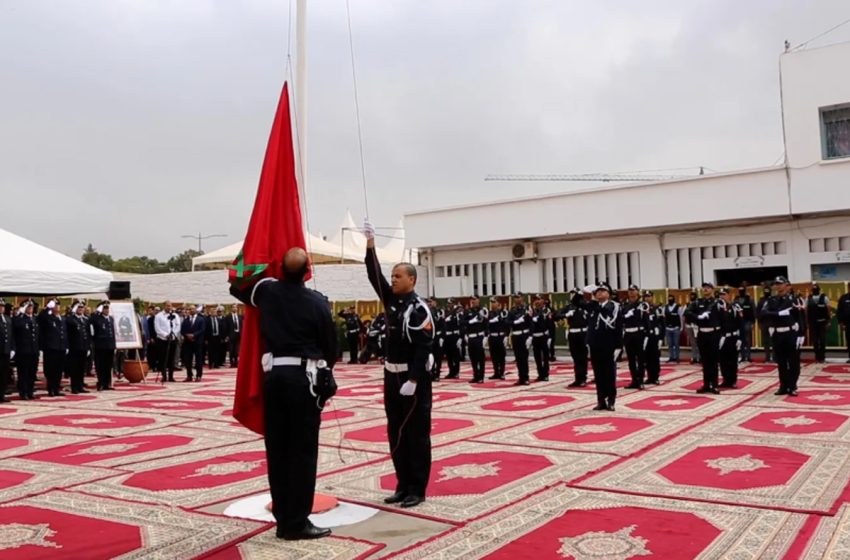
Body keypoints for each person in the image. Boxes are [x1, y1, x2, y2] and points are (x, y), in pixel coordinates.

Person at [230, 247, 337, 540]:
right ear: (307, 271)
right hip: (304, 380)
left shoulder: (267, 291)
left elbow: (236, 286)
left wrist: (255, 255)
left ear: (280, 269)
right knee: (302, 452)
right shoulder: (317, 302)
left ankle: (283, 519)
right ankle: (296, 522)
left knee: (278, 451)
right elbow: (330, 347)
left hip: (274, 378)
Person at [364, 220, 434, 509]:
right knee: (396, 431)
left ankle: (417, 488)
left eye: (397, 276)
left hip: (412, 379)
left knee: (416, 434)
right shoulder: (391, 301)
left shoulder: (419, 309)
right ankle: (402, 484)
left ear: (411, 280)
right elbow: (373, 275)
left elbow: (424, 347)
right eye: (392, 275)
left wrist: (415, 380)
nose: (391, 280)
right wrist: (370, 246)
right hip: (391, 377)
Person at [760, 276, 803, 396]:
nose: (778, 286)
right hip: (777, 334)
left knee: (793, 361)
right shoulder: (771, 300)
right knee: (781, 362)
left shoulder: (794, 300)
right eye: (776, 284)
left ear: (786, 285)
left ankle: (792, 386)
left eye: (780, 283)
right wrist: (778, 313)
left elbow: (800, 318)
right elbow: (763, 313)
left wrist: (801, 334)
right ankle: (783, 386)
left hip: (791, 333)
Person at [586, 282, 622, 411]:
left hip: (609, 344)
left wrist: (618, 346)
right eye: (598, 291)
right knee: (598, 374)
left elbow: (618, 327)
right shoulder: (593, 306)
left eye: (603, 291)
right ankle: (601, 400)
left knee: (609, 374)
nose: (599, 293)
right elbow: (577, 302)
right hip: (595, 344)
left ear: (609, 294)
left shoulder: (614, 307)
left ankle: (611, 400)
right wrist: (583, 292)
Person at [685, 282, 722, 394]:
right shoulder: (697, 302)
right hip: (702, 333)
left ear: (712, 289)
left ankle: (714, 385)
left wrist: (723, 335)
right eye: (704, 288)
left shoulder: (718, 303)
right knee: (705, 361)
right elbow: (687, 312)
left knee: (714, 361)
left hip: (714, 333)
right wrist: (698, 317)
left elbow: (724, 318)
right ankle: (706, 384)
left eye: (708, 288)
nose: (705, 290)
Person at [556, 289, 589, 387]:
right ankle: (577, 378)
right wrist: (566, 314)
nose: (572, 296)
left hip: (583, 333)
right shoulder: (569, 307)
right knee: (575, 357)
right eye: (571, 294)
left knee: (583, 357)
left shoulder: (585, 306)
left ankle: (583, 378)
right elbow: (556, 316)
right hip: (572, 333)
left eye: (574, 294)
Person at [622, 284, 647, 390]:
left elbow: (646, 320)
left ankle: (640, 380)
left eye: (633, 290)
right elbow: (621, 319)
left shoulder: (642, 305)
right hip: (628, 333)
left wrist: (647, 335)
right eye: (630, 290)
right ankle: (634, 380)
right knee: (631, 359)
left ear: (638, 292)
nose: (631, 292)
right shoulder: (625, 305)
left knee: (640, 359)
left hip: (638, 333)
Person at [13, 300, 39, 400]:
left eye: (31, 307)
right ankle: (23, 392)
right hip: (23, 351)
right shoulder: (19, 319)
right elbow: (16, 327)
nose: (30, 309)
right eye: (28, 307)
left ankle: (30, 391)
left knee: (32, 373)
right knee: (23, 373)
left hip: (33, 350)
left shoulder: (35, 319)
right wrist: (20, 313)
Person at [42, 302, 68, 397]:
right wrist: (47, 308)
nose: (57, 307)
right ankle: (51, 389)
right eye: (55, 306)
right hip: (52, 348)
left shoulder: (63, 319)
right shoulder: (48, 318)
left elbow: (65, 334)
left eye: (58, 305)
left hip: (61, 347)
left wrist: (66, 346)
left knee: (59, 370)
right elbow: (41, 318)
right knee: (51, 370)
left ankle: (57, 388)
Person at [717, 288, 742, 388]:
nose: (722, 296)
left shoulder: (735, 307)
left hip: (733, 337)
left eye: (724, 294)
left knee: (732, 360)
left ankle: (733, 380)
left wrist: (740, 338)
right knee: (723, 360)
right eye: (720, 294)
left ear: (729, 295)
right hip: (722, 338)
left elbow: (740, 323)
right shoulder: (717, 307)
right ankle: (725, 379)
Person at [66, 301, 91, 394]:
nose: (81, 309)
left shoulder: (85, 320)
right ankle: (74, 387)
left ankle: (80, 385)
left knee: (82, 368)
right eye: (79, 308)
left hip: (83, 348)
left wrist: (88, 347)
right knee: (74, 368)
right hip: (74, 348)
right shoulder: (70, 320)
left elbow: (88, 334)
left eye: (82, 308)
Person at [507, 293, 532, 386]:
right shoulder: (512, 310)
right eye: (515, 298)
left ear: (522, 298)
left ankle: (525, 377)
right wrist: (515, 322)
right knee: (518, 358)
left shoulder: (527, 309)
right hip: (516, 336)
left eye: (518, 297)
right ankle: (520, 377)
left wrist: (530, 336)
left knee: (524, 358)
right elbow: (507, 322)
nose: (517, 299)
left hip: (524, 335)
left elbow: (531, 323)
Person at [90, 301, 116, 391]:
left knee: (108, 366)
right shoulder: (97, 319)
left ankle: (107, 383)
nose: (106, 310)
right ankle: (100, 383)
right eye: (105, 308)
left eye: (107, 308)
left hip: (110, 346)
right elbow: (91, 320)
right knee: (100, 365)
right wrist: (97, 312)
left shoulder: (111, 319)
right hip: (100, 346)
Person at [154, 302, 181, 382]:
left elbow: (177, 325)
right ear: (164, 306)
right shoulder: (159, 316)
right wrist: (165, 335)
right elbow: (157, 328)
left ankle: (171, 376)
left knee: (171, 358)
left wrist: (173, 334)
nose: (169, 307)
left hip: (172, 339)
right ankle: (164, 375)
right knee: (163, 358)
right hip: (162, 339)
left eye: (170, 306)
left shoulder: (175, 315)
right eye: (167, 306)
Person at [464, 295, 488, 384]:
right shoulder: (468, 311)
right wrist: (470, 322)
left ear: (478, 300)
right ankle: (475, 375)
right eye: (472, 300)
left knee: (480, 358)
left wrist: (486, 337)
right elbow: (462, 322)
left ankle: (481, 376)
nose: (473, 301)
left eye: (475, 299)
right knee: (473, 358)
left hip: (479, 337)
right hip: (471, 337)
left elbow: (486, 324)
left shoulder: (483, 311)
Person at [642, 291, 663, 385]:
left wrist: (661, 338)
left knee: (655, 357)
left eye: (649, 296)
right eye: (645, 296)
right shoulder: (642, 308)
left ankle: (655, 377)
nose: (647, 298)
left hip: (655, 336)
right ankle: (649, 376)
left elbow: (662, 323)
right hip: (645, 336)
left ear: (652, 297)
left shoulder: (657, 308)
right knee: (646, 357)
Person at [807, 282, 831, 363]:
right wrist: (807, 322)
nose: (815, 289)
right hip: (813, 323)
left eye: (816, 288)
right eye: (813, 288)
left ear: (819, 289)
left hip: (822, 322)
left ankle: (822, 357)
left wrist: (828, 321)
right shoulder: (809, 298)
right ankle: (817, 357)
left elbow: (828, 310)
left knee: (822, 340)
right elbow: (806, 311)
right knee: (815, 341)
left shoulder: (824, 298)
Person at [181, 305, 206, 382]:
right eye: (190, 309)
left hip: (197, 342)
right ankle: (189, 375)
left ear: (196, 310)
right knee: (188, 360)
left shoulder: (201, 319)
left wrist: (194, 335)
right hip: (188, 343)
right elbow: (182, 330)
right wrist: (187, 335)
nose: (191, 310)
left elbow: (202, 329)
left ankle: (199, 375)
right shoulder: (186, 320)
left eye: (193, 309)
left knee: (198, 359)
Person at [530, 295, 551, 382]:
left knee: (545, 357)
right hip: (535, 336)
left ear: (543, 301)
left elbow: (550, 324)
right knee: (537, 357)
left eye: (539, 299)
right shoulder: (532, 311)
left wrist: (550, 337)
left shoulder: (546, 310)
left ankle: (545, 374)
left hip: (544, 336)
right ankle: (540, 374)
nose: (537, 301)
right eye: (536, 300)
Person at [487, 299, 508, 380]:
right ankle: (496, 372)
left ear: (498, 303)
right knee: (494, 356)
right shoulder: (489, 313)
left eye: (494, 302)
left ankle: (502, 373)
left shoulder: (502, 313)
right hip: (492, 336)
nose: (492, 304)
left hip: (500, 336)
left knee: (501, 356)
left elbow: (506, 325)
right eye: (491, 302)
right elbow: (486, 324)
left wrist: (506, 335)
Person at [442, 301, 462, 379]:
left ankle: (456, 372)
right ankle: (451, 371)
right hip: (448, 336)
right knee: (449, 356)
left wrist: (460, 337)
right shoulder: (446, 312)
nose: (449, 304)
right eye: (448, 303)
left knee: (455, 356)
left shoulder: (457, 313)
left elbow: (460, 325)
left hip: (454, 336)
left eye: (450, 303)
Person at [0, 298, 14, 403]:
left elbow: (11, 335)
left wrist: (12, 348)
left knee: (4, 374)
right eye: (0, 306)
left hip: (6, 350)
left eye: (3, 306)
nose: (2, 308)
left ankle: (2, 394)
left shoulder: (8, 318)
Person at [737, 286, 755, 363]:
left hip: (748, 321)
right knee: (741, 339)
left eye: (742, 290)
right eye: (739, 290)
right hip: (739, 322)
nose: (741, 292)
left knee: (747, 340)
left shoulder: (749, 299)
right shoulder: (736, 300)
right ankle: (743, 356)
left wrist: (753, 322)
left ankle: (748, 356)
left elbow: (753, 311)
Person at [428, 299, 445, 380]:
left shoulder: (439, 312)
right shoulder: (427, 312)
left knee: (438, 357)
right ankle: (431, 372)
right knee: (430, 356)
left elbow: (443, 325)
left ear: (435, 302)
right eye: (429, 302)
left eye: (431, 302)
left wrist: (442, 337)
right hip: (430, 337)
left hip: (438, 336)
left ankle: (437, 373)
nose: (430, 303)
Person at [663, 295, 682, 363]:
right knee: (670, 344)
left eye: (671, 299)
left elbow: (681, 317)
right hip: (668, 328)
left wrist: (681, 327)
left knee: (676, 343)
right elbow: (664, 317)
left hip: (676, 327)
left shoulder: (678, 307)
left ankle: (677, 357)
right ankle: (671, 357)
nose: (670, 300)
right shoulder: (665, 307)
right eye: (669, 299)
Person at [756, 285, 773, 362]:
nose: (766, 292)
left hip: (772, 323)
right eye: (765, 291)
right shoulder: (761, 300)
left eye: (768, 291)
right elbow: (757, 311)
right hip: (764, 323)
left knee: (773, 340)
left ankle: (775, 357)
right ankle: (767, 357)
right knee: (765, 341)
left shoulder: (773, 300)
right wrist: (759, 322)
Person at [685, 290, 701, 364]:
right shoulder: (687, 304)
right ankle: (694, 357)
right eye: (691, 296)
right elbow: (684, 315)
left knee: (699, 341)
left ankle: (700, 357)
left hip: (696, 325)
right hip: (689, 325)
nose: (692, 297)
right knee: (693, 342)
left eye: (693, 296)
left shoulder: (698, 304)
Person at [837, 289, 850, 364]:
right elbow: (839, 310)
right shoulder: (844, 298)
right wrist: (841, 323)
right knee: (849, 340)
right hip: (847, 323)